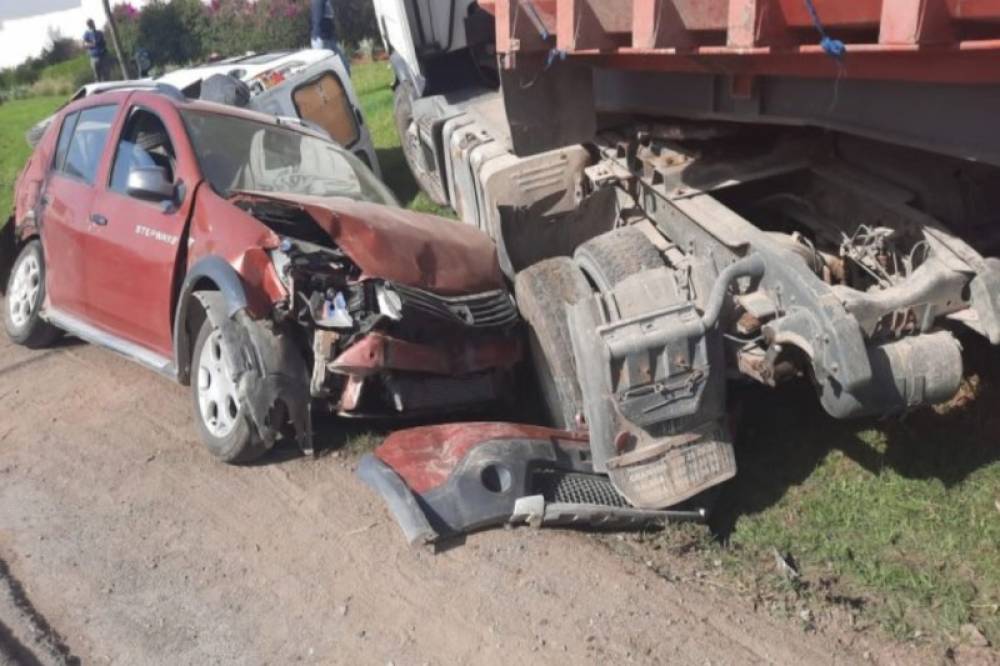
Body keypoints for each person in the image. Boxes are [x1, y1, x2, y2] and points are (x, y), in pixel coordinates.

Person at [310, 0, 349, 72]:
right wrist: (317, 40)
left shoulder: (326, 2)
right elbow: (316, 20)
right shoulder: (318, 1)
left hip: (331, 39)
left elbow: (330, 22)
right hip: (323, 40)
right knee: (335, 67)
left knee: (344, 65)